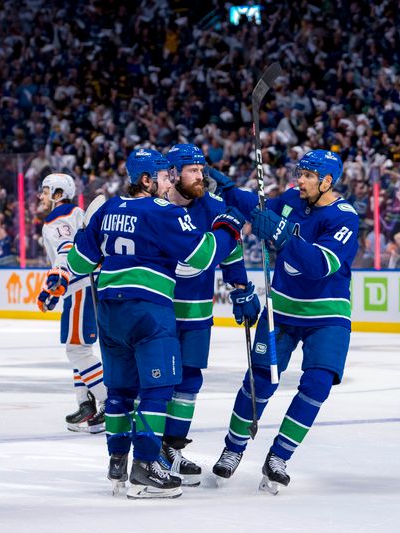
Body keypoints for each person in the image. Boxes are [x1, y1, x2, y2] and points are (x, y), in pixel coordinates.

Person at [66, 148, 246, 499]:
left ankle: (117, 461)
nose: (170, 182)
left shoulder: (105, 208)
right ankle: (146, 468)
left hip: (109, 311)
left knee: (119, 391)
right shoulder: (163, 211)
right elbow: (203, 255)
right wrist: (227, 228)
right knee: (157, 390)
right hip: (149, 311)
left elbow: (78, 261)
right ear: (146, 180)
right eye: (164, 176)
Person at [208, 149, 359, 493]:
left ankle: (279, 456)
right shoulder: (292, 199)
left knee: (318, 384)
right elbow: (259, 210)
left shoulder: (344, 217)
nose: (299, 180)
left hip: (328, 315)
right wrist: (230, 189)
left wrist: (284, 235)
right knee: (260, 381)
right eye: (299, 173)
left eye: (307, 175)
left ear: (327, 181)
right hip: (282, 310)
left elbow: (318, 265)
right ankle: (233, 449)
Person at [158, 144, 260, 486]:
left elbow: (230, 250)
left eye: (202, 170)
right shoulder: (155, 208)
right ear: (172, 173)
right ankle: (146, 451)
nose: (201, 176)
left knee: (189, 381)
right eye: (192, 170)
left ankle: (171, 448)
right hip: (157, 309)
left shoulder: (214, 206)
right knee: (156, 382)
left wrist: (241, 287)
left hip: (197, 312)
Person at [36, 172, 106, 433]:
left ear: (57, 194)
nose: (41, 196)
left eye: (45, 191)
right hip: (84, 285)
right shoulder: (76, 214)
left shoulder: (57, 219)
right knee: (80, 348)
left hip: (79, 287)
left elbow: (66, 253)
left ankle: (110, 403)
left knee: (77, 350)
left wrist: (53, 287)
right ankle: (85, 403)